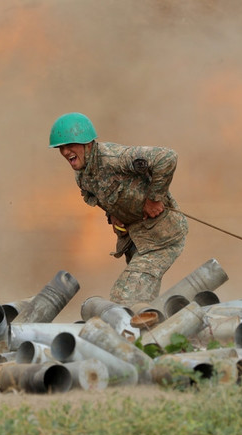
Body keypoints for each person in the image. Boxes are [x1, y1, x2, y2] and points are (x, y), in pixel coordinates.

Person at [48, 112, 188, 306]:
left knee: (126, 297)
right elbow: (104, 196)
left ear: (88, 143)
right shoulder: (83, 176)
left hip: (162, 237)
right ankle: (155, 331)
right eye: (60, 148)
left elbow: (167, 157)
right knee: (142, 300)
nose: (65, 152)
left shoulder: (114, 158)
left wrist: (154, 199)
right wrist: (113, 215)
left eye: (70, 145)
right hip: (137, 240)